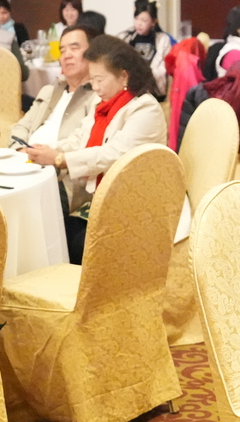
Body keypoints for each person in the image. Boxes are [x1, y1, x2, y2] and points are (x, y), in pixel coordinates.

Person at [23, 34, 164, 263]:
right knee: (47, 225)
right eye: (93, 80)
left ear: (124, 75)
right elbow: (79, 138)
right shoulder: (103, 104)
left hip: (132, 204)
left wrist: (60, 159)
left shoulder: (145, 109)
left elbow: (114, 155)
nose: (95, 87)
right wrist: (43, 151)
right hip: (100, 198)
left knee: (64, 237)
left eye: (100, 80)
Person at [11, 25, 98, 148]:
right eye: (62, 51)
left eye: (74, 48)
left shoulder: (97, 95)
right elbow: (21, 127)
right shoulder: (49, 91)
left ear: (93, 53)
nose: (67, 55)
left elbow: (83, 140)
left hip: (58, 158)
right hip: (25, 155)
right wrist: (20, 149)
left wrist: (46, 153)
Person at [121, 0, 176, 88]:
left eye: (144, 20)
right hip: (131, 85)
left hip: (154, 86)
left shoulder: (162, 40)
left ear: (153, 22)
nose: (139, 23)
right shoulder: (126, 37)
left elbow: (163, 69)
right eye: (136, 18)